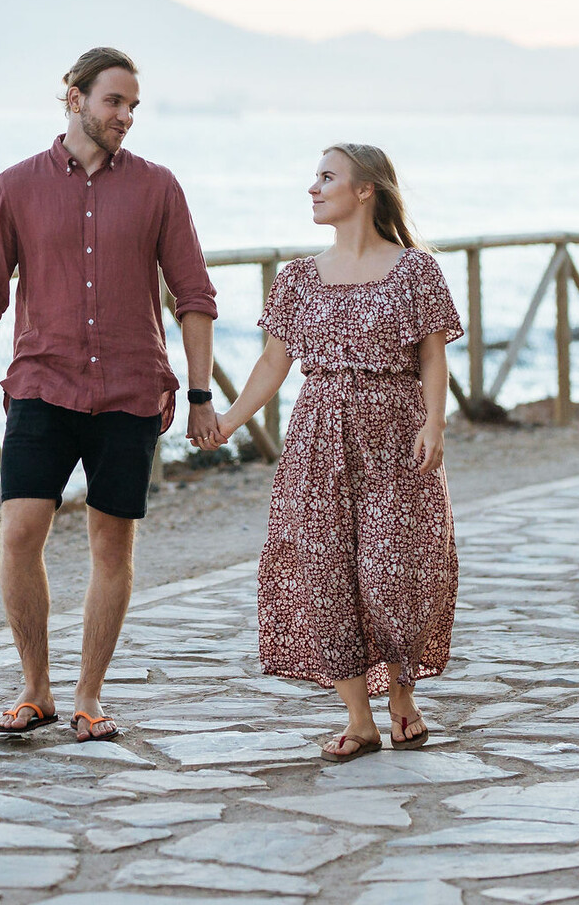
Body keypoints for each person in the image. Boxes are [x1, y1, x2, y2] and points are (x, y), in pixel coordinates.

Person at [0, 47, 219, 741]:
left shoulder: (158, 188)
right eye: (113, 102)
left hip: (131, 391)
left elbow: (195, 296)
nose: (125, 117)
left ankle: (88, 695)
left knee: (111, 547)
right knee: (19, 532)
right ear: (72, 96)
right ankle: (35, 688)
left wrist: (199, 393)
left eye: (132, 106)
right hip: (42, 383)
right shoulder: (16, 186)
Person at [203, 143, 461, 761]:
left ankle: (402, 695)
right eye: (314, 177)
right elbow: (274, 361)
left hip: (396, 435)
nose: (313, 188)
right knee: (324, 576)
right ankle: (359, 718)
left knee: (395, 571)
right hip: (317, 440)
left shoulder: (416, 271)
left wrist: (435, 424)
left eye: (327, 177)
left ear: (366, 190)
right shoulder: (297, 278)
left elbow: (432, 354)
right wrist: (229, 421)